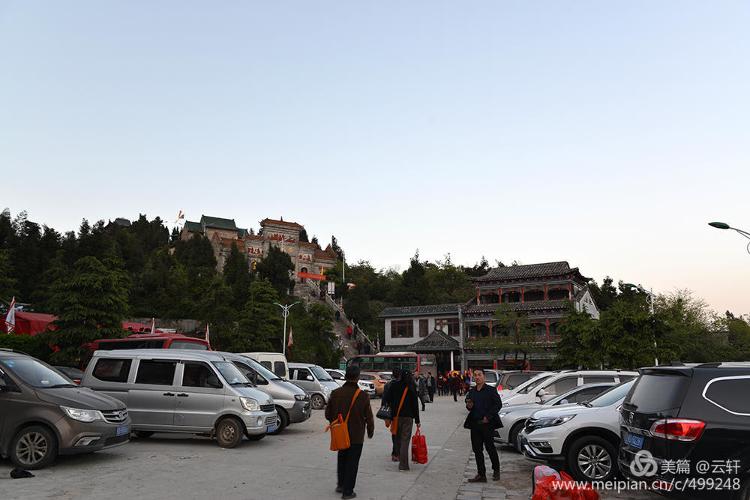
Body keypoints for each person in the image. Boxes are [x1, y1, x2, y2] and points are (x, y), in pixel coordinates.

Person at [325, 365, 375, 499]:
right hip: (356, 435)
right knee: (352, 463)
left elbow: (328, 414)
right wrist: (370, 430)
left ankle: (341, 485)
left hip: (340, 434)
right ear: (358, 378)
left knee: (342, 458)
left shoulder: (335, 393)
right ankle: (348, 492)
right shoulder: (363, 396)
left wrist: (337, 422)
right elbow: (369, 417)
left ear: (346, 376)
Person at [465, 368, 502, 483]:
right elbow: (469, 406)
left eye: (479, 375)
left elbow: (498, 404)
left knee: (490, 448)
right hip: (475, 424)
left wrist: (488, 416)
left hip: (487, 424)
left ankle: (496, 470)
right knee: (477, 450)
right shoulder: (472, 391)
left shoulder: (491, 390)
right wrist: (469, 406)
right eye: (475, 375)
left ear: (484, 377)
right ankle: (481, 474)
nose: (477, 377)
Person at [388, 370, 420, 471]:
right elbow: (415, 405)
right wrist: (417, 420)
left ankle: (397, 455)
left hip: (396, 417)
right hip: (408, 418)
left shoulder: (394, 386)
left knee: (397, 439)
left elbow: (388, 399)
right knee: (405, 440)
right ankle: (403, 465)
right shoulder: (411, 387)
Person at [381, 367, 401, 462]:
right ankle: (397, 452)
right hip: (401, 412)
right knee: (401, 433)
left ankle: (395, 452)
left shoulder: (388, 384)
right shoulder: (402, 384)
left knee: (394, 432)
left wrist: (384, 410)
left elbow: (384, 399)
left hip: (391, 412)